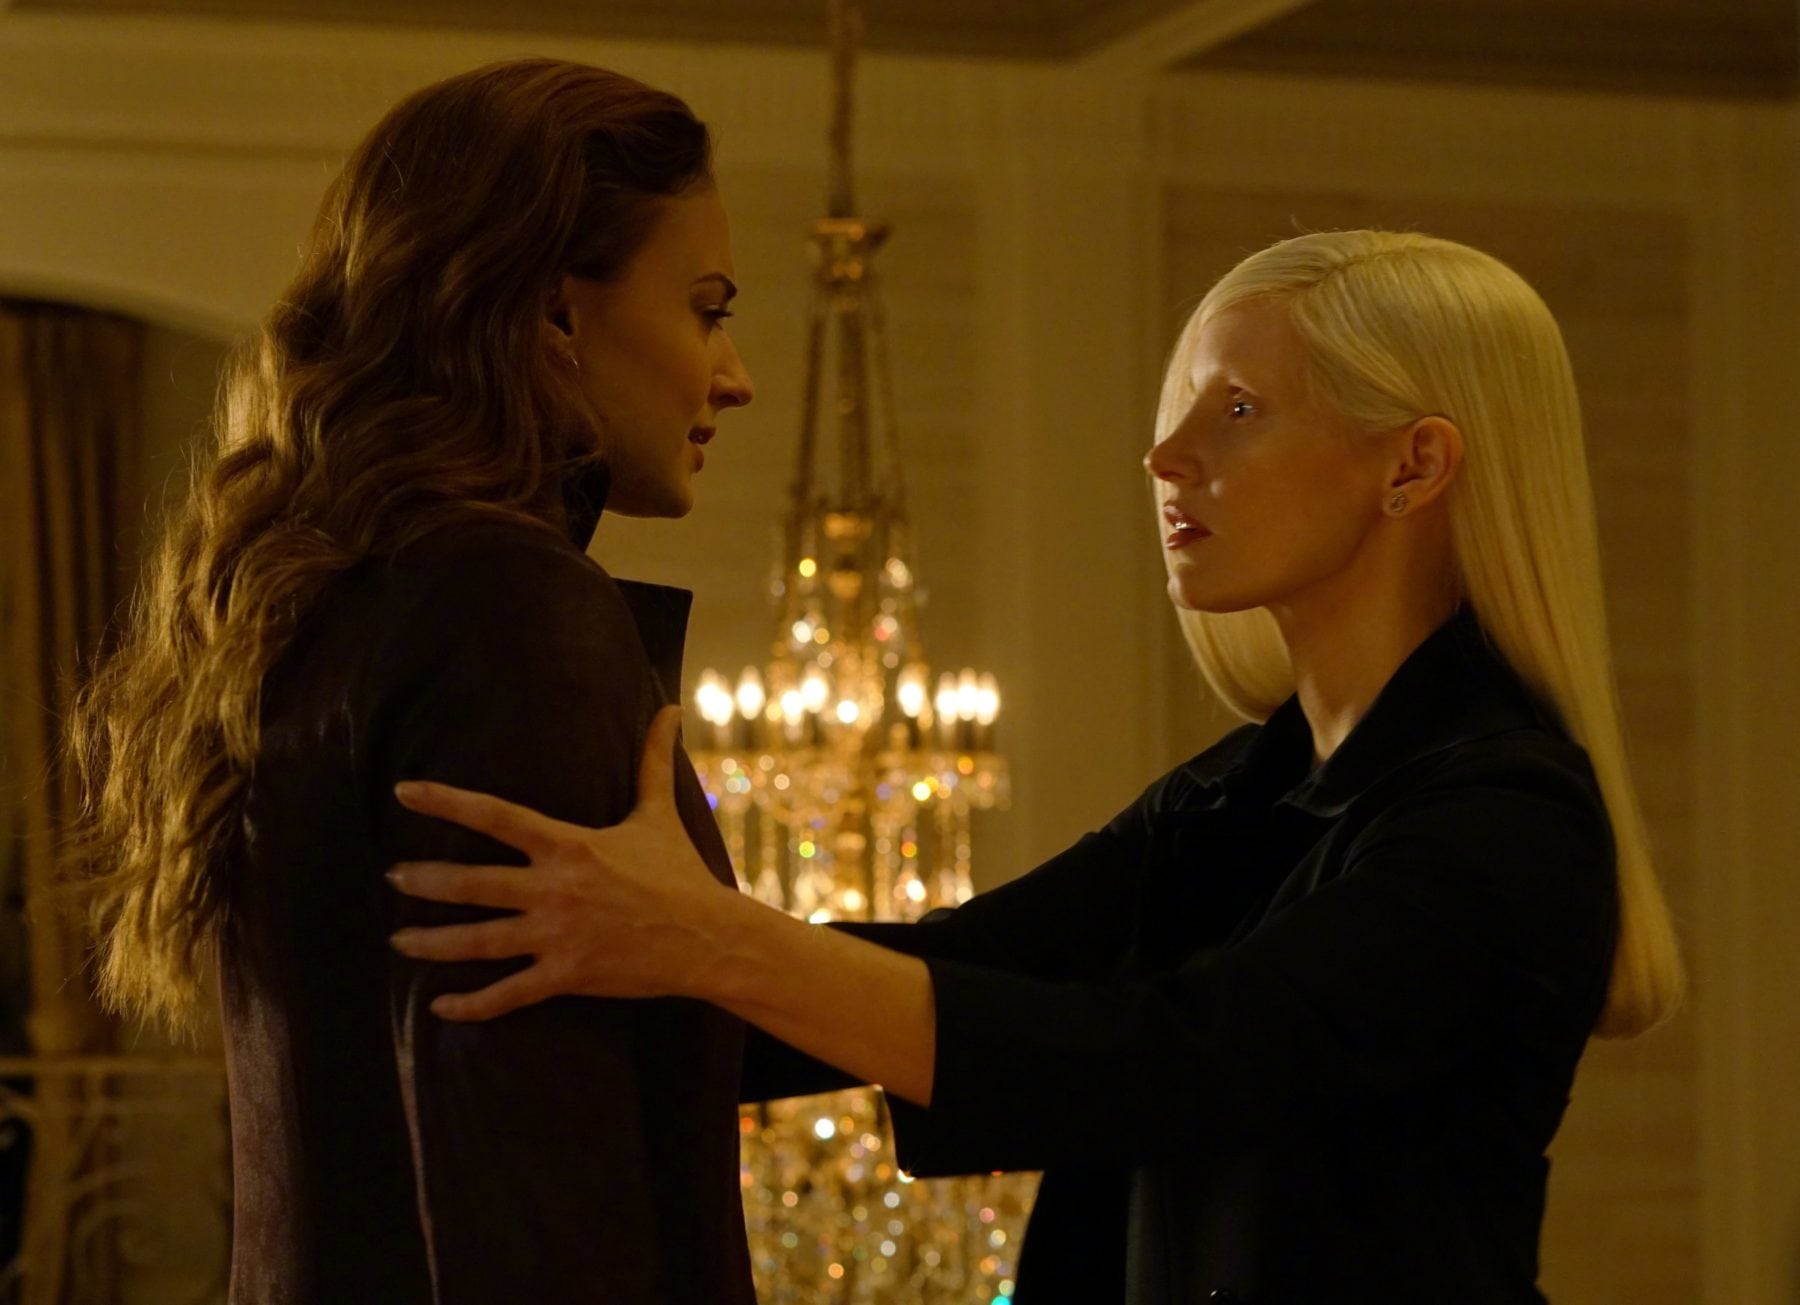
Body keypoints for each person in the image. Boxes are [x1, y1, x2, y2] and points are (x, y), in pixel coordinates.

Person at [387, 229, 1686, 1303]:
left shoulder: (1505, 821)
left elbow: (1160, 1067)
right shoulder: (1238, 794)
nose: (1166, 457)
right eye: (1182, 412)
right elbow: (969, 965)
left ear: (1414, 464)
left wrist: (709, 942)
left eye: (1238, 411)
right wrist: (524, 982)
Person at [68, 59, 755, 1303]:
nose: (733, 374)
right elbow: (534, 1177)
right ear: (554, 316)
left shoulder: (335, 591)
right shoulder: (509, 608)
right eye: (706, 311)